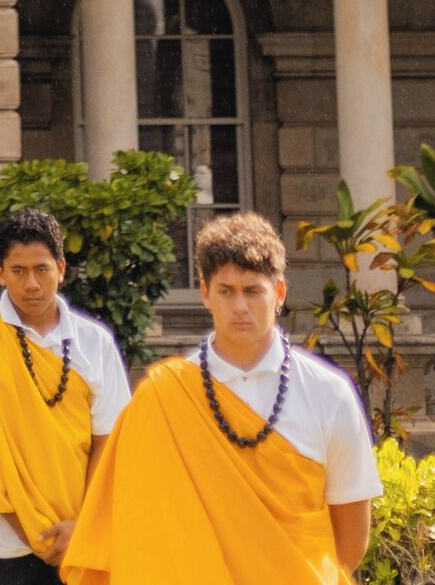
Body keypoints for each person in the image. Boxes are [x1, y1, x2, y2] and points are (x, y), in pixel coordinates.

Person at [63, 212, 380, 585]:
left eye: (252, 290)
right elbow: (135, 524)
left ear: (278, 292)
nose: (239, 306)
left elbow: (352, 538)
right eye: (226, 291)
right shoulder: (163, 398)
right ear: (205, 293)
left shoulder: (329, 392)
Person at [0, 204, 128, 574]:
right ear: (0, 273)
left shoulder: (94, 342)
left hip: (78, 541)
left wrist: (81, 524)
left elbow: (109, 441)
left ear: (61, 269)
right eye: (18, 271)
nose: (31, 284)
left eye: (42, 269)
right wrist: (27, 526)